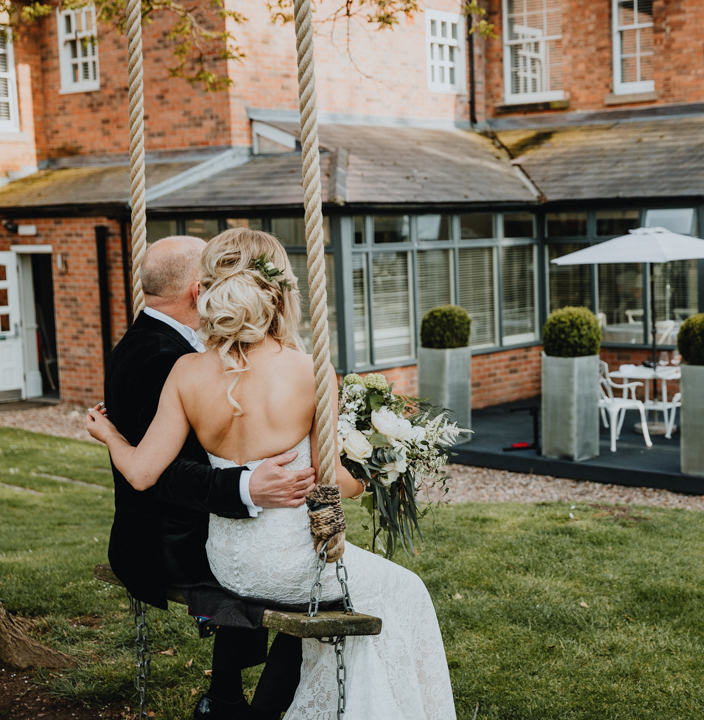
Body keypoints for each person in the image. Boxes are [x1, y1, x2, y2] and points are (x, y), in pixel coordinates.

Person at [88, 228, 456, 720]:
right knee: (405, 589)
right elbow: (332, 482)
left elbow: (140, 473)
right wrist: (375, 473)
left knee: (362, 599)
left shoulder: (186, 373)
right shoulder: (309, 370)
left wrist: (110, 435)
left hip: (227, 561)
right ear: (278, 291)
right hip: (294, 566)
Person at [104, 236, 317, 719]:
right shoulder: (164, 356)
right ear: (200, 291)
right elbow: (167, 475)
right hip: (167, 541)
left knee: (257, 546)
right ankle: (227, 701)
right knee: (270, 559)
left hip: (179, 528)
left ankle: (223, 698)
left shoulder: (159, 344)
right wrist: (246, 487)